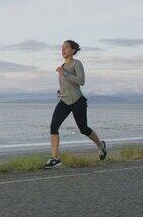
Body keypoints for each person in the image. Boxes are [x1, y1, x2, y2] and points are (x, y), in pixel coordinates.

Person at [44, 40, 107, 169]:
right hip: (64, 101)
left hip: (78, 101)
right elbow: (66, 86)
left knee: (83, 129)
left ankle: (101, 146)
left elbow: (81, 81)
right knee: (53, 127)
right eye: (62, 48)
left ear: (73, 50)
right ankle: (55, 159)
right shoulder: (62, 65)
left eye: (66, 48)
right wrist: (60, 91)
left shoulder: (76, 64)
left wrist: (64, 73)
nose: (63, 50)